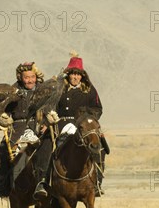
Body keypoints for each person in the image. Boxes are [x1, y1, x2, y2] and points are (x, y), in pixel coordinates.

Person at [33, 51, 105, 199]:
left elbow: (98, 109)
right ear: (68, 74)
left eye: (78, 74)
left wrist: (87, 117)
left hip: (83, 126)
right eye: (73, 74)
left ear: (82, 76)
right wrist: (49, 117)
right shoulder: (59, 88)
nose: (75, 77)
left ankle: (97, 182)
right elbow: (49, 105)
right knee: (45, 146)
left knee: (100, 146)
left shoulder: (90, 90)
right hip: (59, 124)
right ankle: (42, 181)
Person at [0, 62, 45, 197]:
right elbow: (3, 111)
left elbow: (50, 109)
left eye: (32, 77)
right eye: (26, 77)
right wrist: (3, 119)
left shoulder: (44, 90)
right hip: (16, 130)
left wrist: (46, 123)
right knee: (1, 153)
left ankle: (48, 185)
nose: (30, 80)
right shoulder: (12, 91)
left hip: (38, 128)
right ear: (20, 77)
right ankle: (1, 187)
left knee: (52, 151)